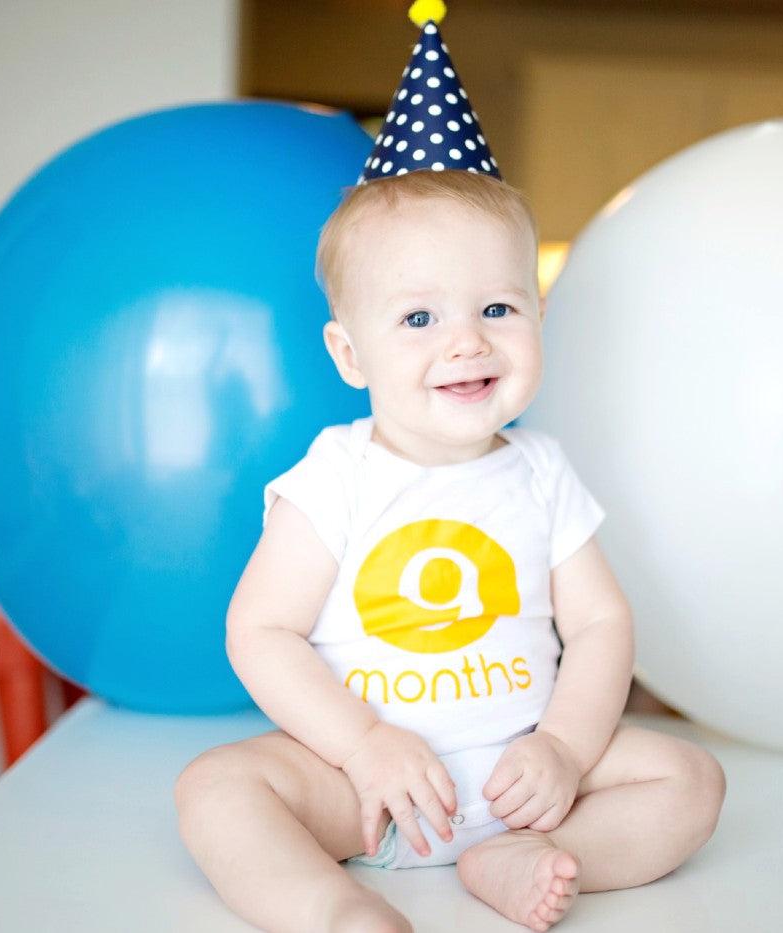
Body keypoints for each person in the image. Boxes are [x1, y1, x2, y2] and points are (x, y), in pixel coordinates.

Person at [174, 6, 724, 932]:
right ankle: (334, 907)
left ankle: (532, 857)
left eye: (498, 308)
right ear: (351, 355)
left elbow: (600, 624)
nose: (466, 341)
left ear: (539, 317)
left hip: (522, 776)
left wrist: (563, 748)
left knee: (690, 779)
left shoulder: (542, 472)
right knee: (216, 788)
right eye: (419, 318)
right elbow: (260, 631)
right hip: (366, 784)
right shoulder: (335, 475)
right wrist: (364, 744)